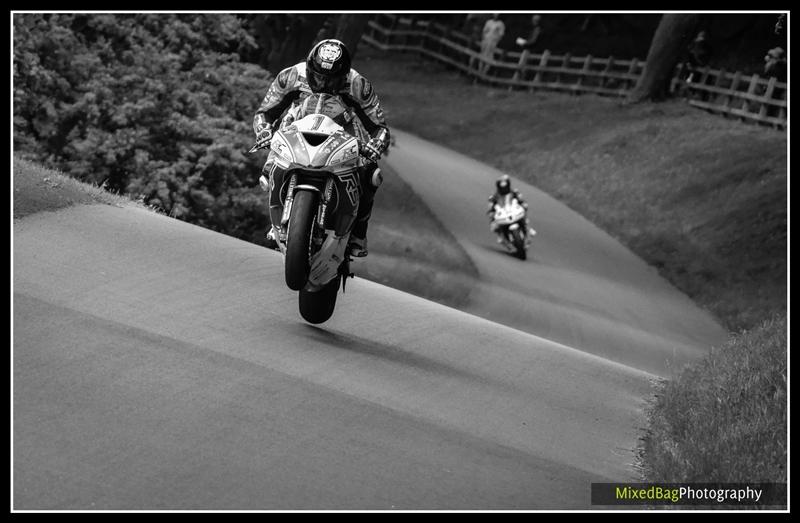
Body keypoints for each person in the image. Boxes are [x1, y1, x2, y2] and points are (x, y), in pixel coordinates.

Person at [253, 38, 391, 257]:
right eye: (318, 76)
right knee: (269, 167)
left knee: (370, 174)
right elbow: (265, 112)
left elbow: (379, 127)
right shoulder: (291, 76)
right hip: (297, 128)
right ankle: (278, 222)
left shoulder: (358, 85)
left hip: (342, 133)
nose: (324, 84)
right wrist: (264, 132)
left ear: (344, 75)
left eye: (332, 79)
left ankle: (358, 236)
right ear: (309, 69)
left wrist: (375, 145)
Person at [487, 175, 536, 243]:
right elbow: (490, 207)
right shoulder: (494, 197)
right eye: (502, 188)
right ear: (498, 187)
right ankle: (500, 236)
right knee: (494, 225)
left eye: (505, 187)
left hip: (513, 210)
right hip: (502, 213)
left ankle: (528, 228)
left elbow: (521, 200)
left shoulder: (514, 192)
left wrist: (523, 203)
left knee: (524, 210)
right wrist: (491, 212)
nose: (504, 189)